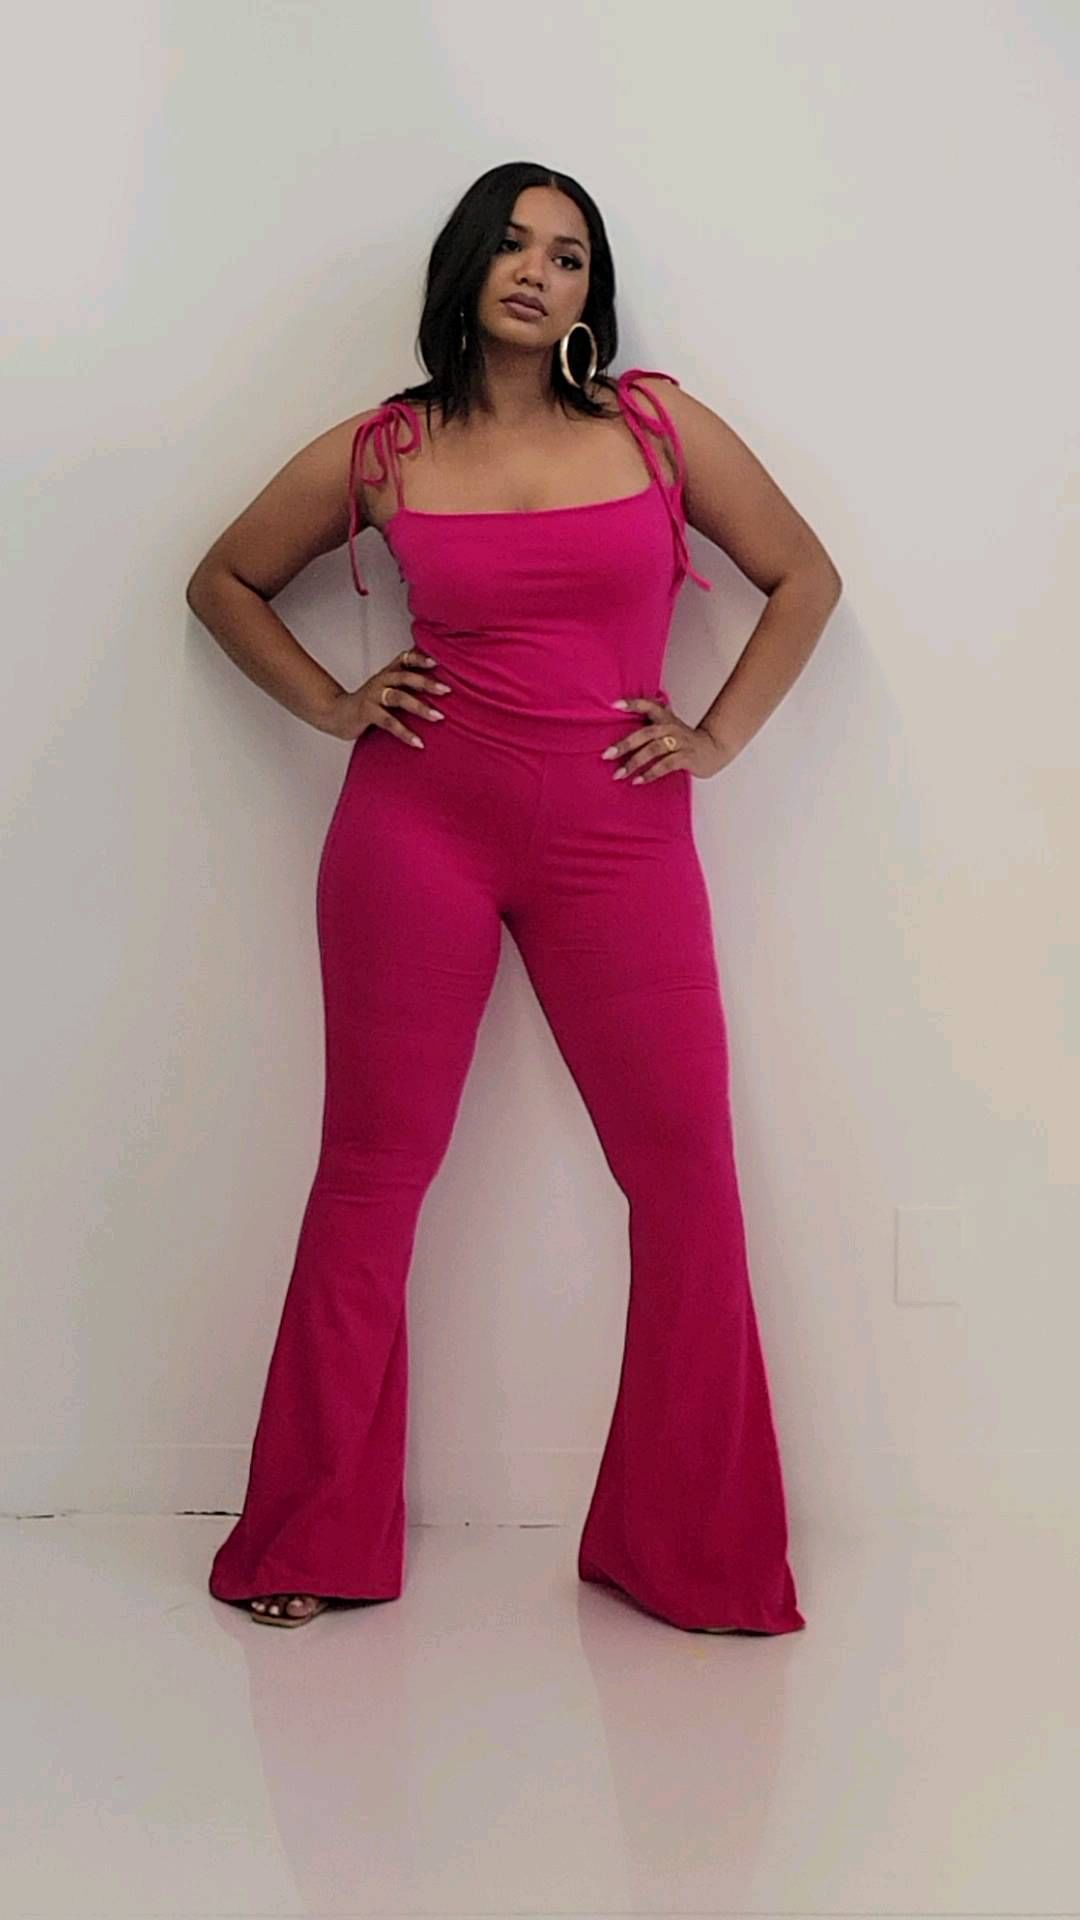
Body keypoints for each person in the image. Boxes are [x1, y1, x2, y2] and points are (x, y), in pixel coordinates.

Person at [186, 159, 841, 1632]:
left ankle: (693, 1552)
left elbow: (805, 576)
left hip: (622, 843)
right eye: (517, 245)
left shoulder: (658, 428)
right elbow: (224, 578)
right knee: (372, 1175)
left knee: (686, 1182)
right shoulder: (384, 448)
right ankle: (308, 1538)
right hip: (414, 834)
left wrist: (716, 736)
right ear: (469, 264)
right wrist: (335, 702)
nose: (541, 271)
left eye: (570, 254)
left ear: (592, 292)